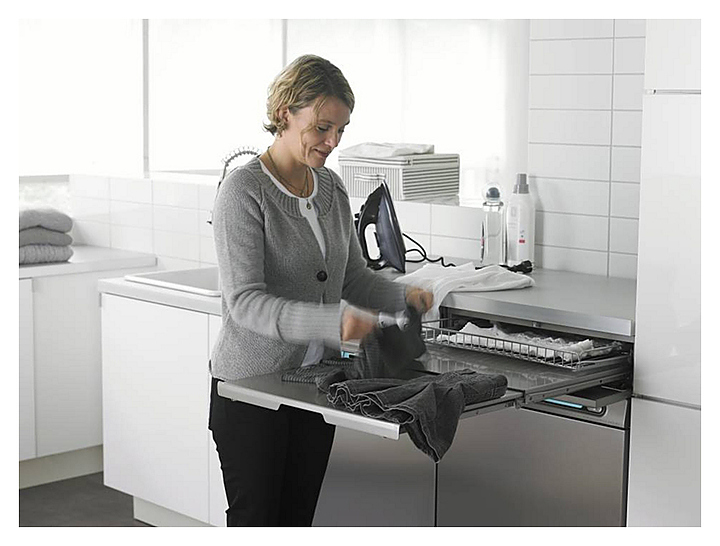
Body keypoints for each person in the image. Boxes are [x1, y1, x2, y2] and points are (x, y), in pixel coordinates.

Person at [208, 54, 434, 527]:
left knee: (298, 521)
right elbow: (244, 302)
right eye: (322, 127)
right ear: (285, 113)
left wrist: (403, 296)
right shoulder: (243, 191)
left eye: (341, 130)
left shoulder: (331, 188)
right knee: (257, 522)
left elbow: (352, 277)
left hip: (315, 386)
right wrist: (333, 322)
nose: (332, 142)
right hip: (251, 391)